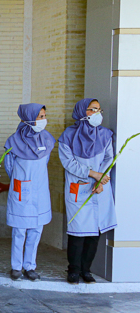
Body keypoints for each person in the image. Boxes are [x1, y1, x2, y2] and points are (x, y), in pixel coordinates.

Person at [58, 98, 116, 284]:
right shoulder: (68, 135)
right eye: (92, 109)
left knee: (93, 233)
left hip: (99, 188)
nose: (97, 113)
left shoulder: (105, 135)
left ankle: (86, 270)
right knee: (78, 232)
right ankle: (73, 270)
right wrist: (93, 174)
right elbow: (68, 163)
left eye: (99, 109)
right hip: (79, 187)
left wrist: (102, 178)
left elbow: (109, 158)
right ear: (82, 112)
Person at [4, 104, 56, 281]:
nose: (43, 120)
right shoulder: (14, 142)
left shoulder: (47, 139)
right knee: (19, 231)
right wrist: (22, 182)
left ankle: (30, 266)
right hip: (22, 189)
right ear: (28, 118)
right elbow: (9, 167)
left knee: (36, 230)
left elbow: (44, 162)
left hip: (40, 190)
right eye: (40, 116)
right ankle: (16, 266)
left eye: (44, 116)